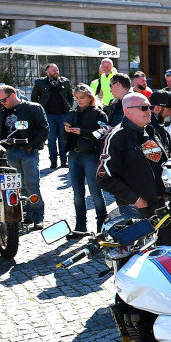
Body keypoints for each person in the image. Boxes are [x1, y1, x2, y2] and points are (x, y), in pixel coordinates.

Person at [97, 92, 171, 246]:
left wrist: (167, 191)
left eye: (149, 107)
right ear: (128, 111)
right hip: (135, 209)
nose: (149, 111)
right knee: (141, 255)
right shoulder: (117, 137)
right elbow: (105, 177)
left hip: (160, 205)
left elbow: (164, 163)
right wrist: (135, 199)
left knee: (170, 249)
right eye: (144, 108)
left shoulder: (151, 131)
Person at [0, 84, 49, 227]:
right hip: (10, 152)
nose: (2, 103)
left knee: (31, 184)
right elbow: (1, 131)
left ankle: (37, 215)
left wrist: (32, 145)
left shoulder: (33, 107)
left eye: (4, 100)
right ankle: (24, 213)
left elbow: (44, 129)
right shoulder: (2, 111)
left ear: (12, 95)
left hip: (27, 151)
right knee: (16, 186)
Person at [64, 85, 109, 237]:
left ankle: (102, 227)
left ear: (90, 97)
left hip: (90, 155)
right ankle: (80, 226)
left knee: (95, 192)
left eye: (82, 97)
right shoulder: (73, 113)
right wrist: (67, 131)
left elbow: (103, 133)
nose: (79, 100)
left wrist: (82, 132)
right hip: (74, 154)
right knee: (77, 193)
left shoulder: (99, 113)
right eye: (77, 98)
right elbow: (64, 138)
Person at [31, 63, 74, 168]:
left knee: (63, 139)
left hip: (63, 115)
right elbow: (34, 97)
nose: (56, 72)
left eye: (57, 70)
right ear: (47, 72)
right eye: (53, 70)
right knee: (51, 139)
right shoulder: (40, 83)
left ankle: (64, 161)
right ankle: (53, 161)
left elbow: (70, 96)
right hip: (48, 116)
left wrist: (69, 107)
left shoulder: (65, 82)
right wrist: (39, 110)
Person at [148, 91, 171, 156]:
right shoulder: (157, 130)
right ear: (157, 108)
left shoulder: (140, 123)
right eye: (169, 110)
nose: (169, 114)